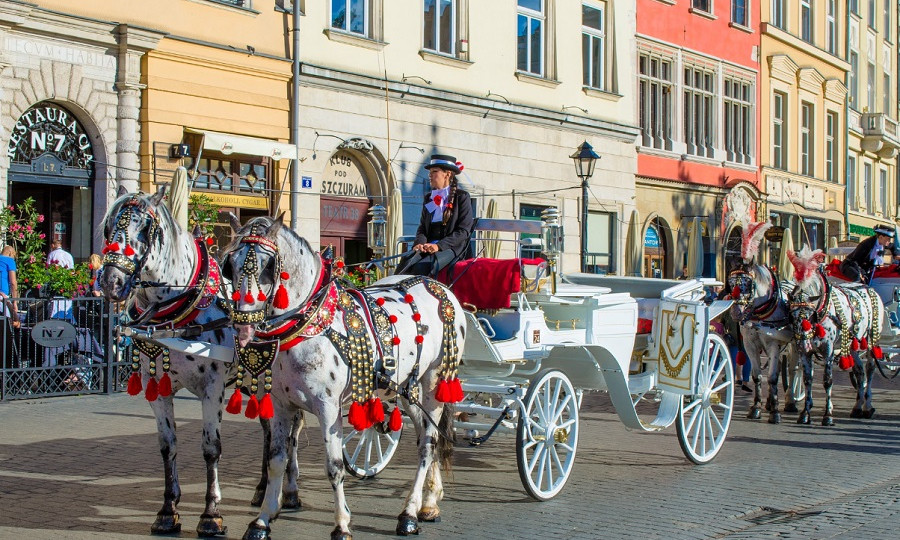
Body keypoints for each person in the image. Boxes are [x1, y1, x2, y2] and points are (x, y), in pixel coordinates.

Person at [396, 154, 474, 277]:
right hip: (428, 246)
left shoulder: (462, 197)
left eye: (434, 171)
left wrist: (438, 246)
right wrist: (419, 243)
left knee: (423, 267)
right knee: (405, 264)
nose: (430, 175)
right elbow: (422, 227)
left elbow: (463, 231)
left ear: (447, 174)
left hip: (452, 248)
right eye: (430, 172)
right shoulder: (429, 198)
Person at [0, 245, 20, 329]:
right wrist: (15, 302)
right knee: (15, 322)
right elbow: (13, 282)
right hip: (3, 296)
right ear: (11, 253)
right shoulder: (10, 261)